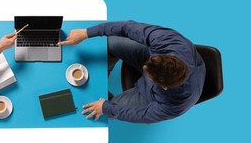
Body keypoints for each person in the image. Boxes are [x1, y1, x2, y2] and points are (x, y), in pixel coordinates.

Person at [58, 20, 206, 124]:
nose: (144, 68)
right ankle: (105, 75)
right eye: (148, 65)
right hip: (151, 56)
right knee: (113, 40)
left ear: (164, 86)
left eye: (148, 73)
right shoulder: (169, 42)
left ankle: (105, 98)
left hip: (150, 95)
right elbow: (126, 27)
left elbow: (141, 115)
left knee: (106, 110)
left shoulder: (176, 105)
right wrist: (86, 33)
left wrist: (106, 107)